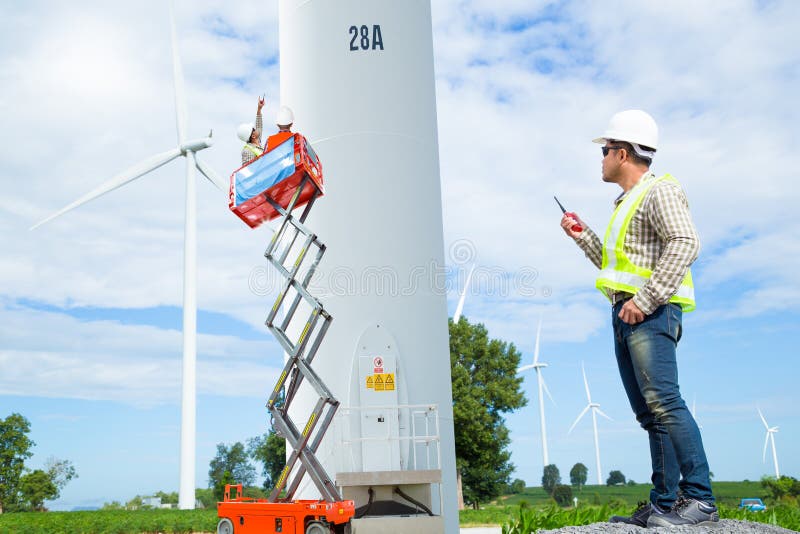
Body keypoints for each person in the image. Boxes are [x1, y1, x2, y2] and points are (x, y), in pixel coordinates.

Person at [560, 110, 718, 528]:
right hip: (626, 312)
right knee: (651, 414)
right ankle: (664, 504)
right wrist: (582, 236)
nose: (602, 157)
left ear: (624, 153)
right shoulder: (624, 203)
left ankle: (700, 499)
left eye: (606, 149)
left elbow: (686, 242)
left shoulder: (659, 191)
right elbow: (613, 265)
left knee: (665, 403)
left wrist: (646, 300)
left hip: (650, 312)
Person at [237, 96, 265, 166]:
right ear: (253, 136)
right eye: (254, 129)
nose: (256, 129)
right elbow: (247, 170)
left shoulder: (257, 141)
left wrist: (259, 109)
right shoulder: (247, 151)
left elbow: (259, 125)